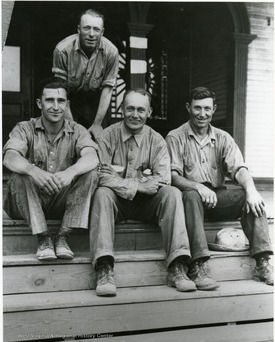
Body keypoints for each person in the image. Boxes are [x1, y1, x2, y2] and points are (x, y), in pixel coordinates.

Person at [89, 88, 200, 297]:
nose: (135, 114)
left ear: (149, 112)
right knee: (102, 193)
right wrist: (138, 185)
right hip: (116, 203)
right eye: (130, 108)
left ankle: (177, 266)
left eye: (141, 110)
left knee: (172, 193)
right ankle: (104, 267)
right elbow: (100, 176)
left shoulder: (156, 140)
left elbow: (163, 178)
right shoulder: (106, 136)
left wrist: (122, 181)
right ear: (121, 109)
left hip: (147, 204)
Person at [166, 86, 273, 286]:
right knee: (190, 195)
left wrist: (251, 190)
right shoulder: (175, 136)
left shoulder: (223, 138)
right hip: (190, 203)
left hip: (217, 199)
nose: (202, 114)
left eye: (207, 108)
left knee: (250, 198)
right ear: (188, 107)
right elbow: (172, 177)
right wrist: (198, 187)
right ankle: (197, 265)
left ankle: (262, 262)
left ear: (214, 109)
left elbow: (239, 169)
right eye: (197, 108)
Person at [3, 78, 99, 261]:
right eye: (49, 100)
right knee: (19, 177)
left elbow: (92, 156)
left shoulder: (77, 130)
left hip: (60, 202)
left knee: (91, 174)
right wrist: (34, 171)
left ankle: (63, 236)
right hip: (25, 202)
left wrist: (71, 172)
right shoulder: (25, 128)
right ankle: (44, 238)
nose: (55, 106)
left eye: (61, 101)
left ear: (67, 104)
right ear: (40, 103)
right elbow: (10, 157)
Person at [52, 9, 119, 139]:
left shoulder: (112, 52)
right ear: (79, 29)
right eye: (87, 28)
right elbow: (61, 90)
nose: (92, 34)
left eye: (96, 29)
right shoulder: (62, 50)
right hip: (70, 99)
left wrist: (97, 123)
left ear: (102, 32)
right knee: (69, 138)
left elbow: (108, 89)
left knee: (98, 140)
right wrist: (71, 125)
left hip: (97, 101)